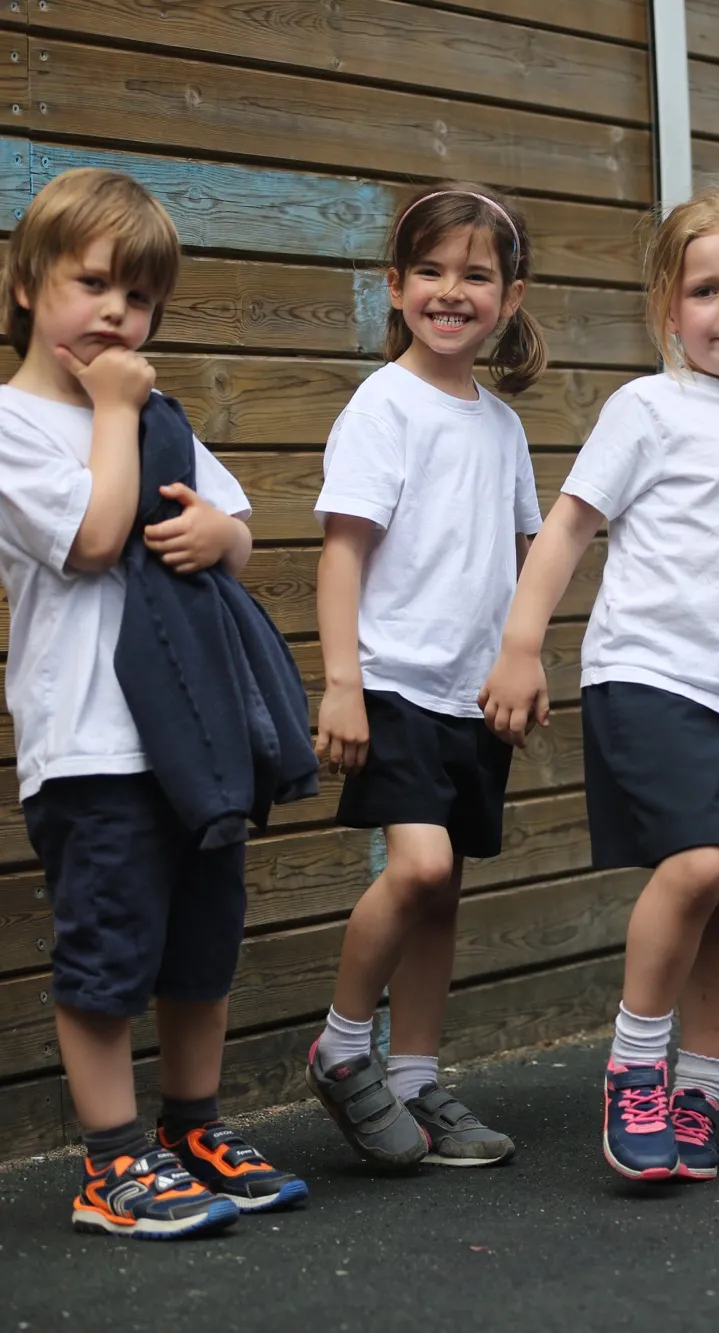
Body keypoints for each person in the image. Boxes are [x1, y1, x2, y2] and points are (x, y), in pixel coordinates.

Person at [480, 177, 719, 1183]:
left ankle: (698, 1092)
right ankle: (634, 1068)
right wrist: (522, 644)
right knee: (701, 865)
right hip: (655, 676)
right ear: (669, 309)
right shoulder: (647, 406)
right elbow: (571, 524)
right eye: (707, 291)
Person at [0, 168, 306, 1235]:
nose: (117, 313)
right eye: (93, 283)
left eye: (139, 298)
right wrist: (117, 411)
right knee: (108, 953)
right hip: (89, 746)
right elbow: (92, 536)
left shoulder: (156, 412)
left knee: (201, 944)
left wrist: (225, 537)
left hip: (192, 741)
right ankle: (111, 1161)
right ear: (28, 284)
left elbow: (234, 519)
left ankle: (191, 1127)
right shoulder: (13, 424)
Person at [306, 183, 547, 1169]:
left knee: (445, 894)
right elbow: (341, 554)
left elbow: (525, 558)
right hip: (396, 684)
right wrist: (341, 682)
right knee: (421, 866)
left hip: (471, 697)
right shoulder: (384, 404)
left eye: (476, 275)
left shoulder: (501, 425)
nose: (453, 291)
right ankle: (340, 1045)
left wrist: (521, 668)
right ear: (396, 286)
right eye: (433, 272)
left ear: (510, 295)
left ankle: (415, 1080)